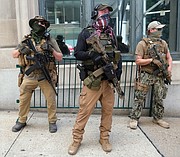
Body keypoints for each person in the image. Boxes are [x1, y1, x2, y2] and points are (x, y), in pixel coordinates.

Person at [68, 4, 122, 155]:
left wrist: (117, 75)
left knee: (108, 112)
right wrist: (91, 55)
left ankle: (104, 138)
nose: (105, 15)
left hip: (108, 81)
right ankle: (76, 140)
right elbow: (77, 53)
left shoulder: (111, 34)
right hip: (93, 81)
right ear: (95, 14)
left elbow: (118, 55)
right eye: (103, 12)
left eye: (107, 13)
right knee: (84, 112)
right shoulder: (86, 33)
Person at [11, 16, 63, 133]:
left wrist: (50, 49)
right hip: (30, 75)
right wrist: (22, 50)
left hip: (45, 75)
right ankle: (21, 120)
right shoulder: (26, 40)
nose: (42, 25)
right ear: (34, 24)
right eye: (40, 23)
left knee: (50, 100)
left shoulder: (50, 40)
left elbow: (60, 57)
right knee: (24, 99)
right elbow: (14, 54)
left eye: (44, 23)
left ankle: (52, 121)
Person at [129, 21, 172, 129]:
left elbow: (169, 57)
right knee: (139, 97)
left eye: (160, 29)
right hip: (147, 74)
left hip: (160, 75)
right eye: (158, 29)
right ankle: (134, 118)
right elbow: (138, 61)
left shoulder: (163, 43)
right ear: (151, 30)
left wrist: (169, 70)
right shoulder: (142, 44)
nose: (160, 31)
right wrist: (151, 60)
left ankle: (158, 118)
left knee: (159, 97)